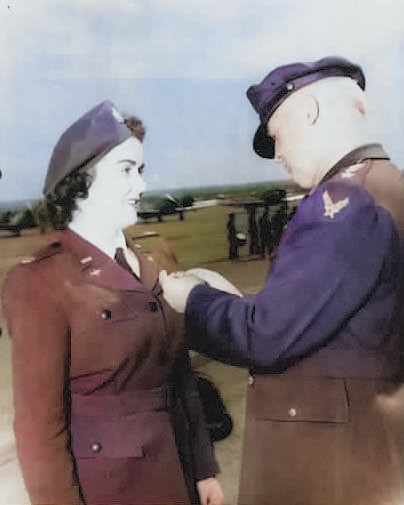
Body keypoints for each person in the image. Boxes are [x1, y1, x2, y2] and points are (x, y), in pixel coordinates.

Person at [159, 57, 404, 504]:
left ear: (309, 110)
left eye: (275, 137)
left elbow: (266, 337)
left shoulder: (343, 201)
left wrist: (192, 297)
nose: (278, 156)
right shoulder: (387, 186)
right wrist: (238, 303)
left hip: (329, 468)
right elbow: (331, 323)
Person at [1, 101, 224, 505]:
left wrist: (204, 469)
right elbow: (39, 429)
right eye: (125, 170)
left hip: (178, 477)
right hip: (110, 489)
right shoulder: (40, 280)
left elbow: (180, 380)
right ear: (81, 181)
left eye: (140, 171)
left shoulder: (150, 262)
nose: (139, 186)